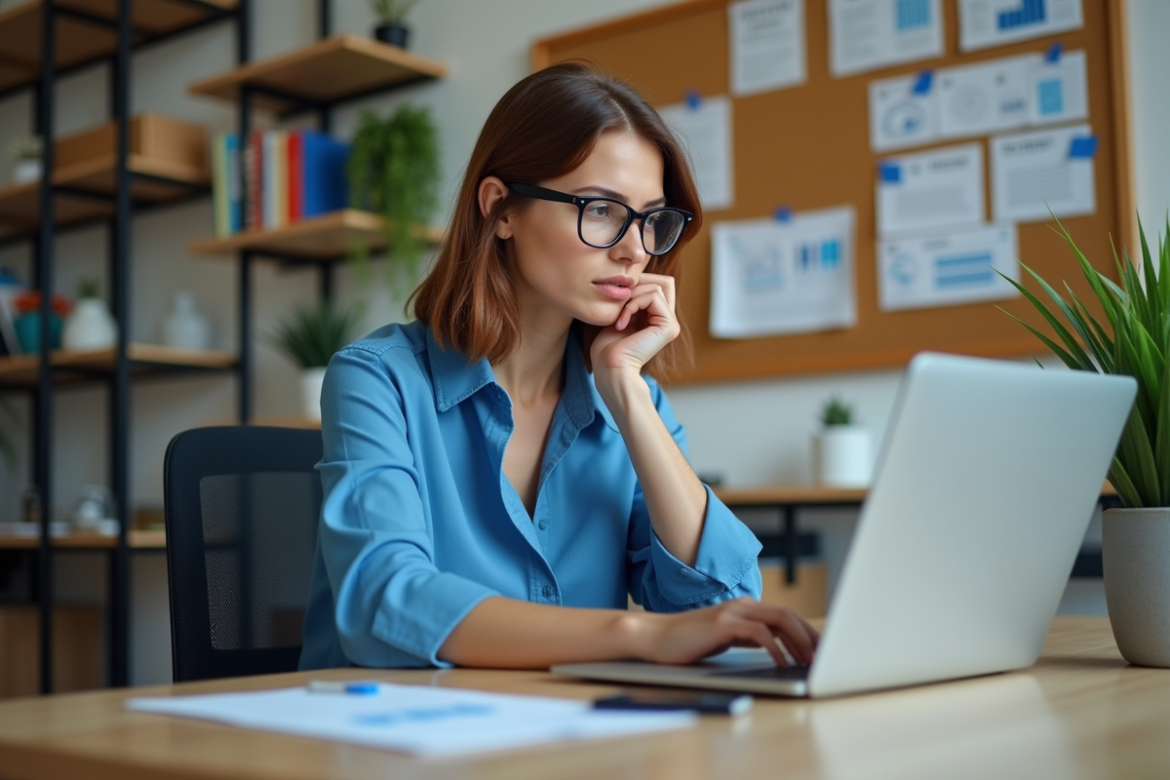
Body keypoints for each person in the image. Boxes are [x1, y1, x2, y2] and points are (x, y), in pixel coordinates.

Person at [299, 63, 819, 671]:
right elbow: (385, 606)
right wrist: (635, 634)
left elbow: (720, 604)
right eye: (601, 210)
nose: (635, 248)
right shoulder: (378, 379)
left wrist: (626, 392)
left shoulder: (629, 401)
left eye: (652, 219)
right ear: (501, 211)